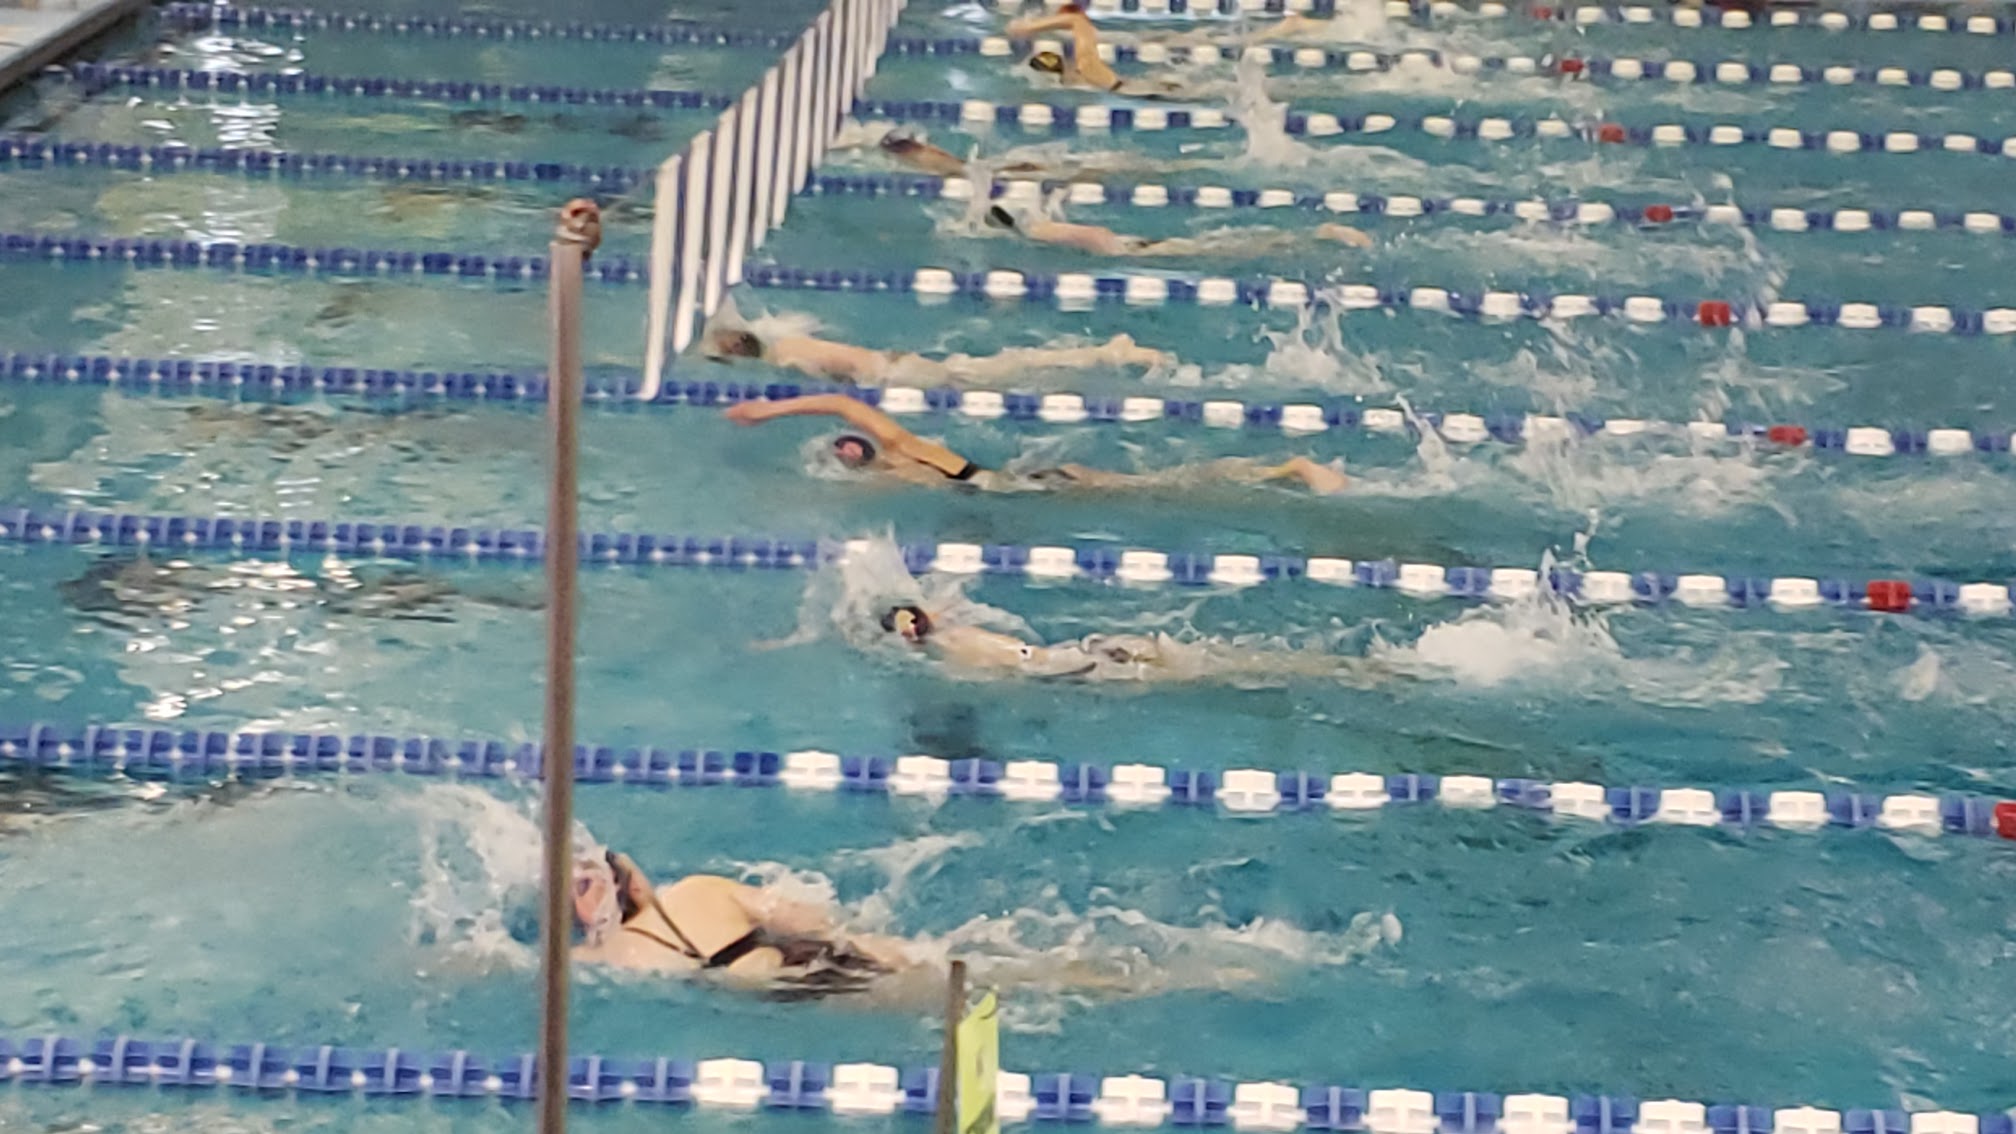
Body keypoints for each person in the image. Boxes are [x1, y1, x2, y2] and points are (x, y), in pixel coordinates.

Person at [723, 393, 1349, 494]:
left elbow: (840, 402)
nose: (847, 451)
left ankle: (1288, 468)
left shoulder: (898, 447)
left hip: (1029, 487)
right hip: (1018, 483)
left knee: (1169, 486)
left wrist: (769, 411)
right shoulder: (887, 471)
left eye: (846, 445)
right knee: (1161, 484)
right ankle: (1282, 469)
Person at [572, 846, 914, 997]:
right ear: (633, 884)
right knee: (919, 971)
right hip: (808, 961)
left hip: (775, 993)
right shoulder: (695, 890)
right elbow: (808, 920)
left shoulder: (605, 956)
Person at [877, 604, 1393, 685]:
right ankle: (1346, 667)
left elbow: (907, 618)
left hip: (1082, 664)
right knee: (1230, 663)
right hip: (1087, 651)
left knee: (1222, 672)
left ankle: (1349, 670)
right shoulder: (955, 631)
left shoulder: (948, 641)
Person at [702, 325, 1169, 385]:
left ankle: (1108, 354)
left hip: (904, 376)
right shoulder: (787, 340)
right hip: (899, 360)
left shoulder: (788, 361)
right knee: (1009, 367)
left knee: (1008, 375)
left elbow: (835, 381)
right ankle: (1100, 354)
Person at [984, 203, 1372, 258]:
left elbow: (1093, 236)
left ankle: (1318, 234)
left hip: (1134, 248)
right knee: (1221, 246)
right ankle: (1317, 234)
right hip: (1136, 245)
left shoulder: (1038, 232)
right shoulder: (1044, 229)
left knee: (1221, 248)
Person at [1006, 5, 1188, 98]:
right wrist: (1029, 27)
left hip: (1143, 92)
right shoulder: (1088, 68)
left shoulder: (1079, 81)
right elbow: (1076, 20)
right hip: (1151, 93)